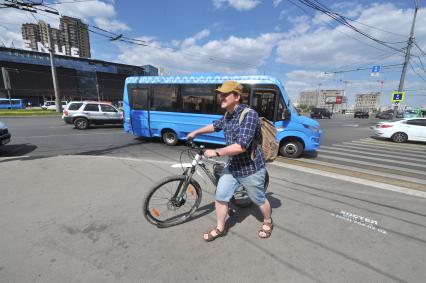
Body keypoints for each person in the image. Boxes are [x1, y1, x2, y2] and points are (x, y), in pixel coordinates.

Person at [187, 80, 273, 241]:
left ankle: (268, 221)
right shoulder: (228, 114)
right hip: (233, 166)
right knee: (220, 197)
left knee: (258, 199)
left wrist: (216, 152)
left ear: (237, 96)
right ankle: (220, 227)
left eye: (225, 94)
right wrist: (196, 132)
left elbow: (241, 146)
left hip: (251, 168)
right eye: (221, 94)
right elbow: (216, 125)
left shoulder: (249, 115)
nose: (221, 97)